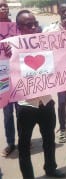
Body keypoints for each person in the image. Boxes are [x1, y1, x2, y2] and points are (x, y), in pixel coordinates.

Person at [14, 9, 66, 178]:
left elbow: (60, 50)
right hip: (26, 106)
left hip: (46, 102)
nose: (35, 27)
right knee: (24, 146)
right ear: (19, 27)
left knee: (49, 140)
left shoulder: (44, 42)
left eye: (36, 23)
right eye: (29, 25)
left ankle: (50, 169)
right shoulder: (11, 47)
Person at [43, 0, 66, 144]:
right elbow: (42, 45)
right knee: (62, 102)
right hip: (61, 73)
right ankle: (62, 129)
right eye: (63, 11)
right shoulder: (50, 29)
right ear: (59, 12)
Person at [0, 0, 17, 157]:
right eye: (0, 5)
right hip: (2, 76)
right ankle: (11, 143)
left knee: (22, 110)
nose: (3, 7)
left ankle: (25, 139)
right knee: (7, 112)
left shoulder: (15, 27)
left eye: (5, 5)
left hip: (17, 73)